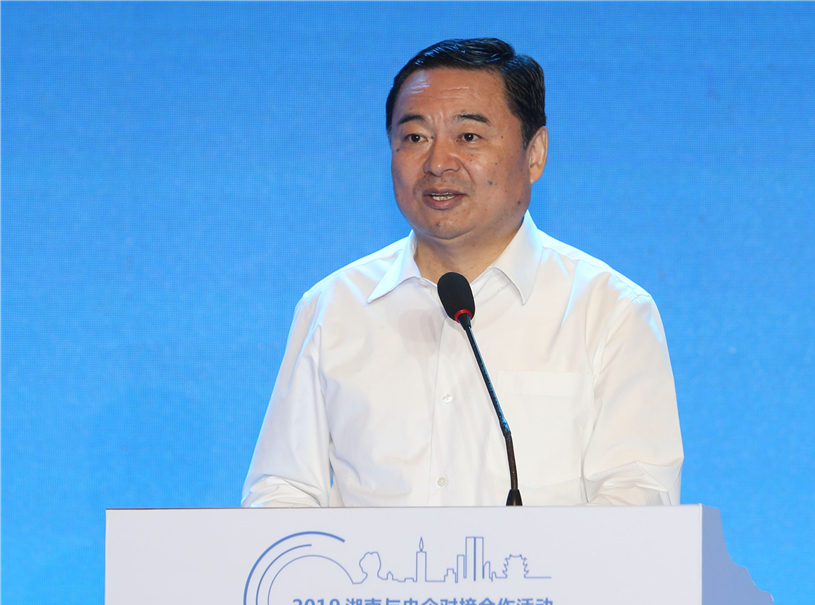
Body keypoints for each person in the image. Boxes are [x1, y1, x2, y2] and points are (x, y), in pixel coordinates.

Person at [242, 38, 683, 508]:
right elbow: (281, 494)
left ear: (535, 153)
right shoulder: (335, 307)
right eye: (415, 138)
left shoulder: (609, 310)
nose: (437, 163)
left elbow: (638, 504)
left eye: (468, 137)